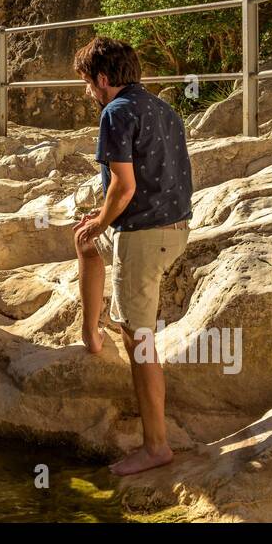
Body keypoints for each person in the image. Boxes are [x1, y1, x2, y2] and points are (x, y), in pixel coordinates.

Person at [71, 36, 192, 477]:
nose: (87, 91)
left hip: (143, 237)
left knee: (139, 340)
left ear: (103, 80)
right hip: (173, 229)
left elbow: (123, 187)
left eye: (87, 83)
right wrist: (99, 225)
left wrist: (105, 220)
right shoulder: (164, 108)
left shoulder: (115, 112)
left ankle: (156, 446)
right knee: (85, 243)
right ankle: (90, 333)